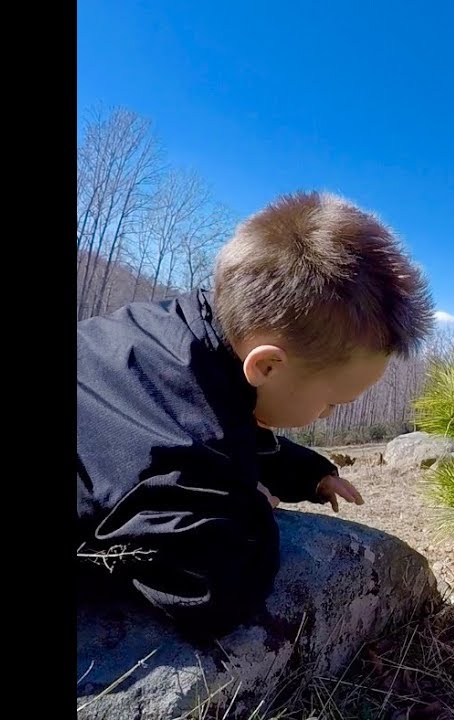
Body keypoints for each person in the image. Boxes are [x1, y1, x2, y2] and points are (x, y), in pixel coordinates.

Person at [77, 190, 435, 638]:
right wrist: (248, 503)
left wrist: (304, 471)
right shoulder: (181, 446)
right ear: (267, 365)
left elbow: (233, 418)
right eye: (332, 402)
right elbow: (211, 587)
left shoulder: (182, 332)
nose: (326, 415)